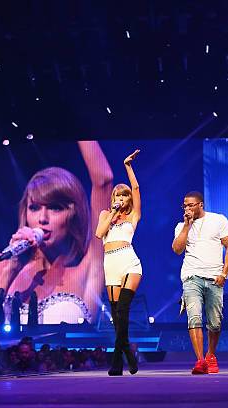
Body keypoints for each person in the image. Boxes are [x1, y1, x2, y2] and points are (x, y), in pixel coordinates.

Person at [0, 141, 113, 324]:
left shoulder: (90, 266)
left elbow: (104, 181)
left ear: (74, 214)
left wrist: (80, 121)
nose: (42, 218)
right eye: (34, 208)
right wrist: (10, 271)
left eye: (55, 208)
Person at [172, 191, 228, 374]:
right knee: (194, 316)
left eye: (191, 205)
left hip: (215, 277)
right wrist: (186, 226)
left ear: (200, 205)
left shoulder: (218, 220)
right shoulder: (181, 226)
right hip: (191, 277)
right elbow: (177, 249)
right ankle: (200, 361)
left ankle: (211, 355)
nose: (187, 208)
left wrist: (224, 274)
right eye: (184, 206)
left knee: (215, 322)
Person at [95, 150, 142, 376]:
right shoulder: (106, 214)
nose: (120, 199)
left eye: (123, 196)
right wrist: (112, 216)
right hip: (110, 263)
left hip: (129, 262)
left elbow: (136, 189)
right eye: (117, 196)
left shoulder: (133, 216)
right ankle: (128, 354)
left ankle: (117, 362)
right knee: (116, 315)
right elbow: (98, 234)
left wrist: (128, 167)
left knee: (123, 308)